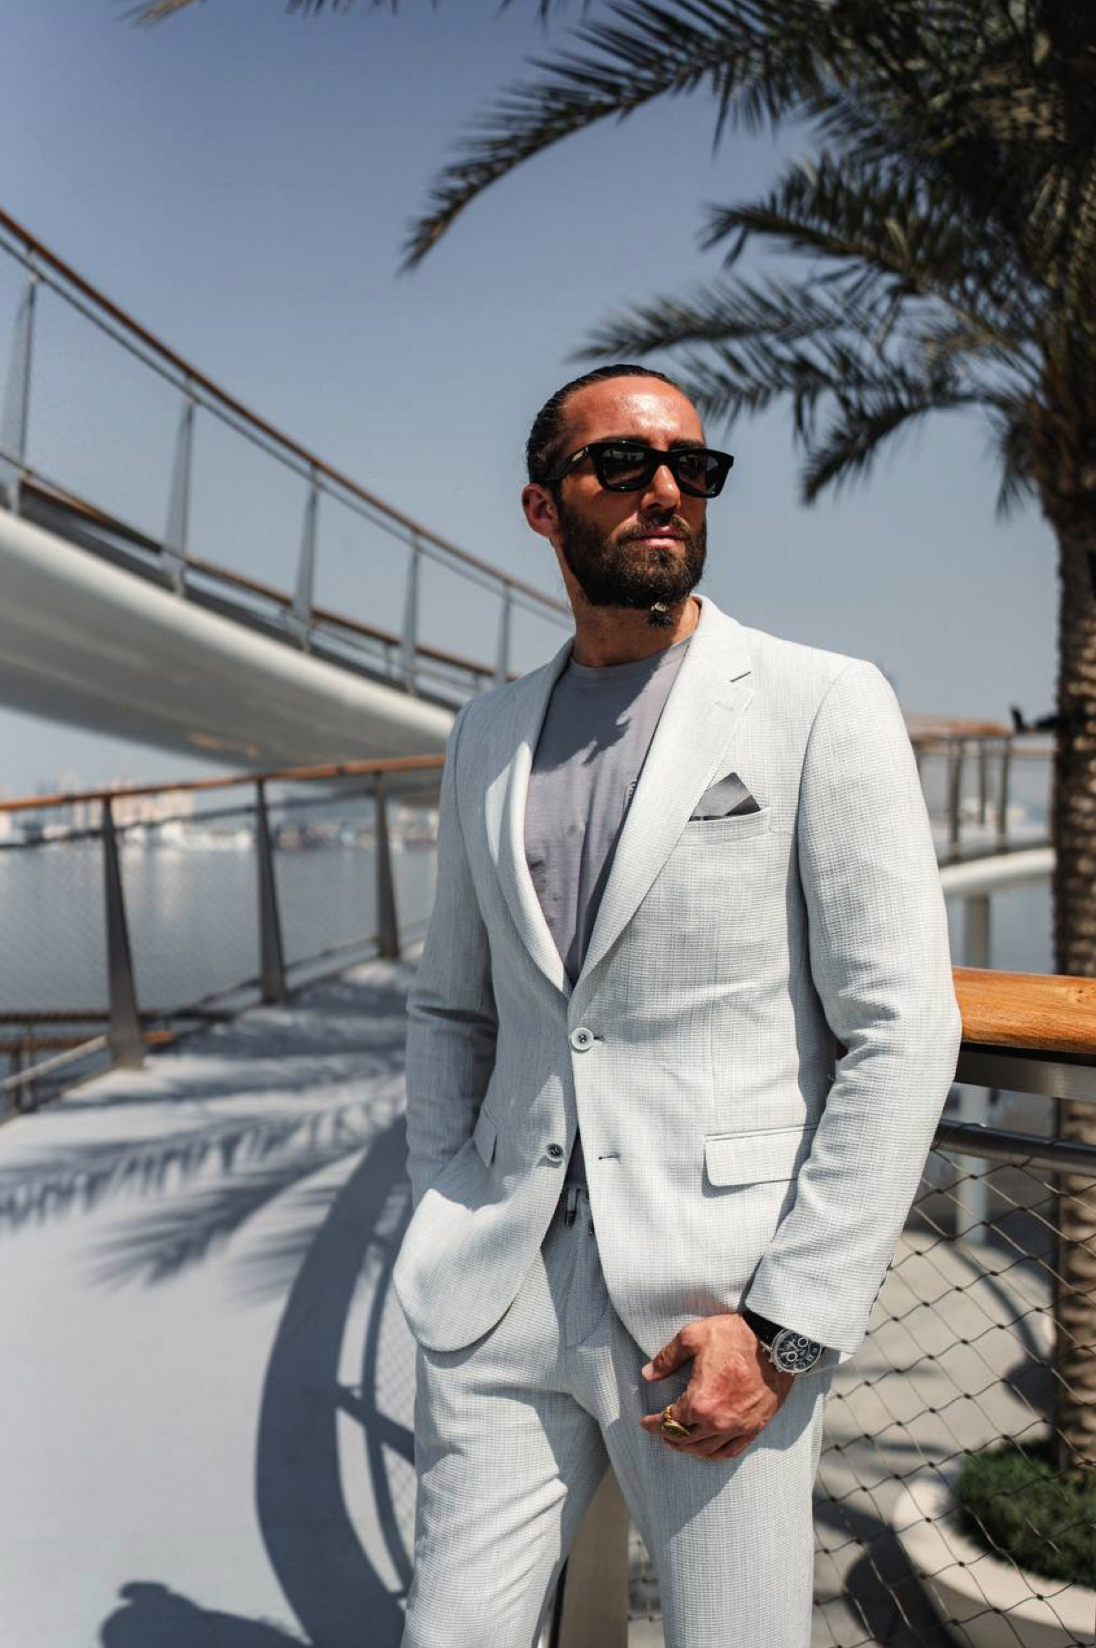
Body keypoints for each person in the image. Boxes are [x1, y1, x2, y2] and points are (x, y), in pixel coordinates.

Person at [393, 364, 962, 1648]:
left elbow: (902, 1029)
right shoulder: (486, 734)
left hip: (717, 1315)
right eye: (624, 464)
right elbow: (453, 1009)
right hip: (495, 1286)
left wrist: (783, 1329)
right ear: (543, 507)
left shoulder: (821, 703)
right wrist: (444, 1194)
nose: (666, 489)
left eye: (693, 468)